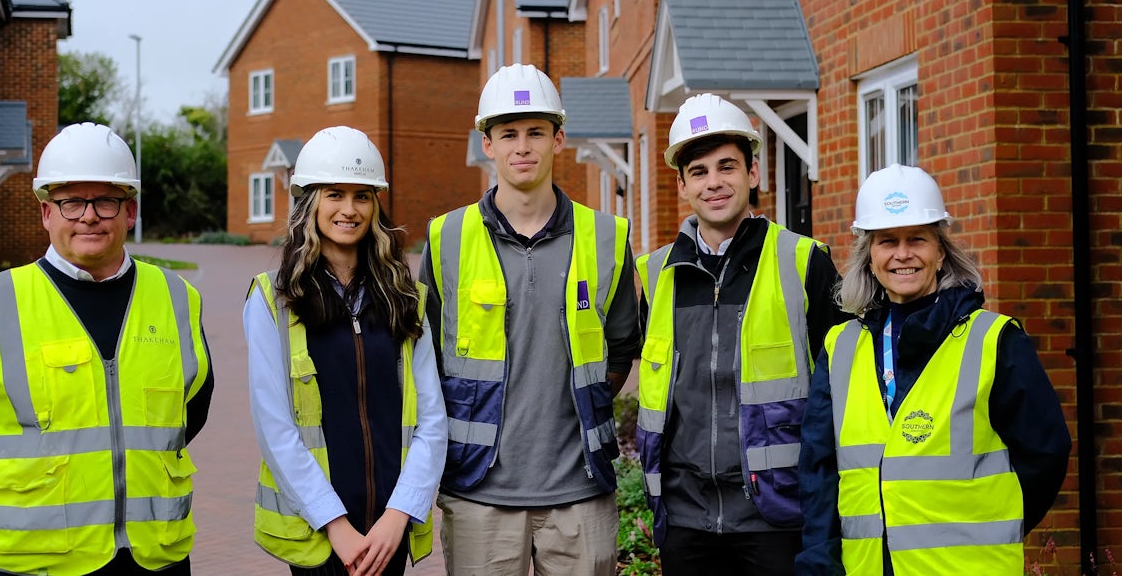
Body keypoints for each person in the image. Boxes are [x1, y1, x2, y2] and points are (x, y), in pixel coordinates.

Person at [0, 122, 214, 576]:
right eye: (71, 201)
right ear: (46, 213)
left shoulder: (176, 298)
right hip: (38, 562)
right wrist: (21, 498)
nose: (88, 216)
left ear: (129, 211)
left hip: (155, 558)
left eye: (106, 201)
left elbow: (190, 413)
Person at [417, 63, 643, 576]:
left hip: (580, 490)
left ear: (559, 139)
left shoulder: (606, 235)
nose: (523, 146)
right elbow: (424, 356)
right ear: (488, 144)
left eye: (536, 132)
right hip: (479, 492)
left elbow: (622, 346)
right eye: (509, 134)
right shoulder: (445, 238)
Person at [796, 164, 1072, 574]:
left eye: (917, 239)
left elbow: (1045, 455)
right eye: (887, 241)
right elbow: (819, 471)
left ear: (941, 251)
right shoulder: (841, 347)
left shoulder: (993, 340)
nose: (902, 254)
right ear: (869, 256)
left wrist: (991, 525)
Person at [633, 93, 844, 575]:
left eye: (726, 167)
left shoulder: (804, 261)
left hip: (775, 514)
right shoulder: (658, 273)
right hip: (685, 517)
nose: (714, 183)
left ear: (752, 173)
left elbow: (843, 389)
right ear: (682, 183)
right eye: (700, 172)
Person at [244, 126, 444, 576]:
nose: (349, 210)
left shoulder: (406, 294)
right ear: (309, 202)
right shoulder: (271, 300)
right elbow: (275, 428)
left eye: (363, 196)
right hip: (319, 532)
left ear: (376, 205)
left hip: (388, 529)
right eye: (335, 194)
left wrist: (400, 515)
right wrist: (336, 525)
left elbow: (431, 416)